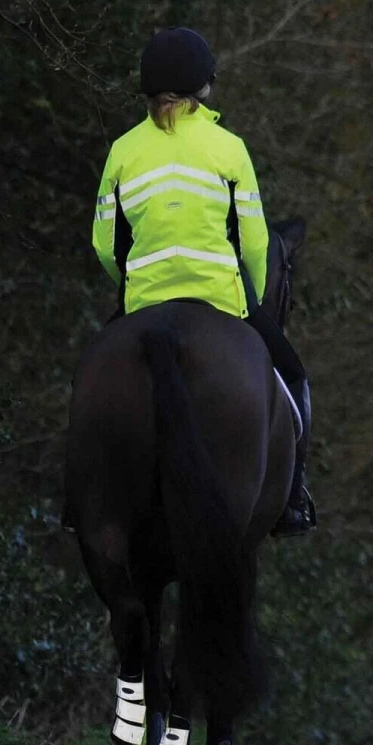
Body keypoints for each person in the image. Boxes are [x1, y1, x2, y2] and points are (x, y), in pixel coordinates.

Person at [91, 27, 317, 536]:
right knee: (296, 378)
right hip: (221, 300)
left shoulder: (122, 153)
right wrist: (252, 299)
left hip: (143, 301)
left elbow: (105, 246)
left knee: (92, 375)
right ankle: (293, 498)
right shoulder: (229, 149)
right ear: (204, 88)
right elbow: (256, 244)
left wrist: (129, 288)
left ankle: (78, 501)